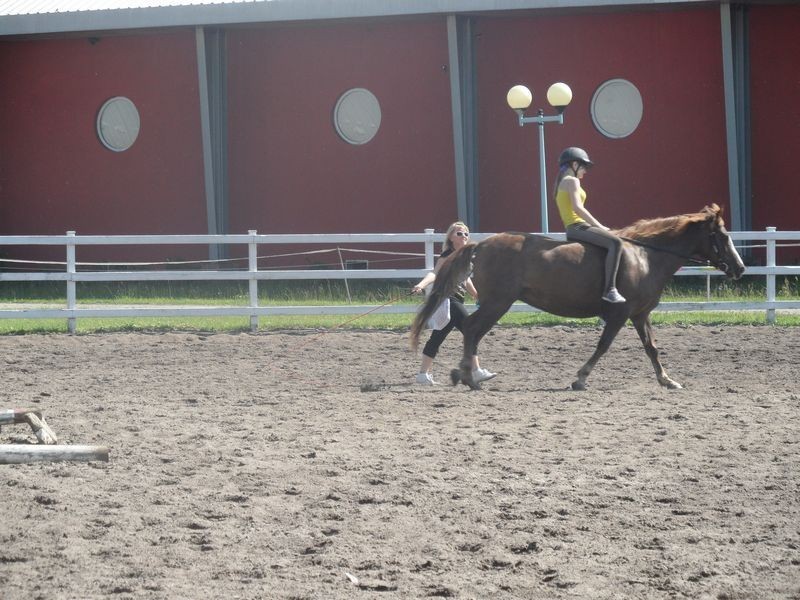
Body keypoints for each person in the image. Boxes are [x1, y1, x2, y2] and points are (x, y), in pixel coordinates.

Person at [411, 221, 496, 385]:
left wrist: (477, 295)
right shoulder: (447, 256)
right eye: (459, 233)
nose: (463, 236)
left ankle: (422, 375)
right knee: (472, 331)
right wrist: (421, 285)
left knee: (437, 337)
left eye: (465, 233)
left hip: (456, 300)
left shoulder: (466, 256)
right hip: (447, 299)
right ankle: (476, 371)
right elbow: (434, 274)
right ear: (450, 237)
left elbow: (465, 280)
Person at [554, 147, 626, 303]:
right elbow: (577, 208)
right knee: (616, 243)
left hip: (576, 227)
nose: (585, 171)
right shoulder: (572, 181)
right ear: (574, 164)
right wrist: (600, 226)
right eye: (584, 166)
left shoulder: (562, 182)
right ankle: (610, 290)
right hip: (577, 226)